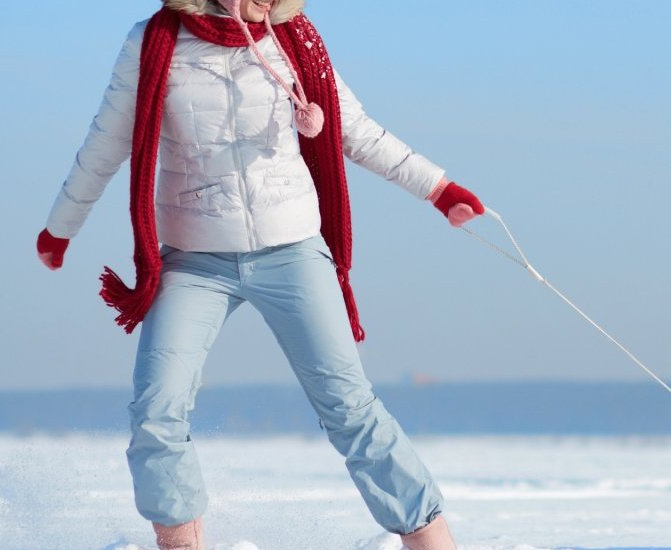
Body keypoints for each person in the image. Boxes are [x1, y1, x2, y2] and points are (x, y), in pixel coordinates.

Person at [33, 1, 484, 548]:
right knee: (156, 408)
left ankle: (432, 541)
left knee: (350, 407)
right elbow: (106, 142)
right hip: (194, 258)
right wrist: (62, 227)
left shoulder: (295, 38)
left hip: (291, 248)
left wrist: (439, 189)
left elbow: (355, 130)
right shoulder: (153, 43)